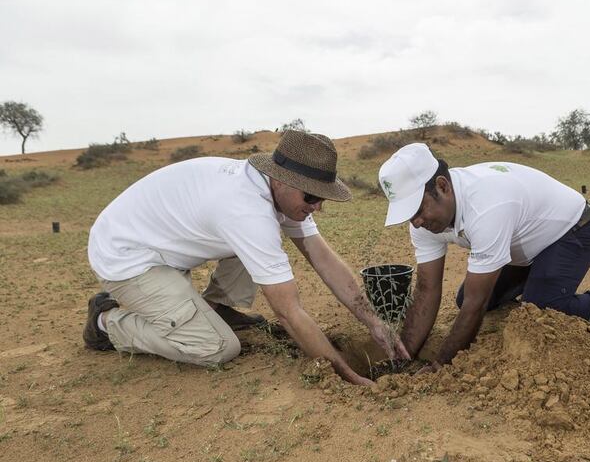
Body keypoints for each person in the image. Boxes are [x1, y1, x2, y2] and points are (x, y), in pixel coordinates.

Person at [84, 130, 409, 385]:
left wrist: (375, 324)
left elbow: (323, 260)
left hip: (161, 242)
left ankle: (215, 308)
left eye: (322, 197)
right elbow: (287, 311)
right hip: (127, 257)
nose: (318, 207)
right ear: (281, 180)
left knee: (258, 243)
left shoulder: (278, 193)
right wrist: (347, 375)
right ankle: (105, 323)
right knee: (217, 347)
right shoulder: (246, 211)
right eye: (312, 196)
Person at [378, 143, 590, 371]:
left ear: (442, 186)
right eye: (408, 214)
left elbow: (476, 304)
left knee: (542, 308)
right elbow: (427, 289)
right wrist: (403, 357)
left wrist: (441, 365)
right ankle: (541, 279)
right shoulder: (424, 222)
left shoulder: (486, 205)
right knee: (464, 299)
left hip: (572, 230)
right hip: (522, 245)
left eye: (418, 209)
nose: (416, 222)